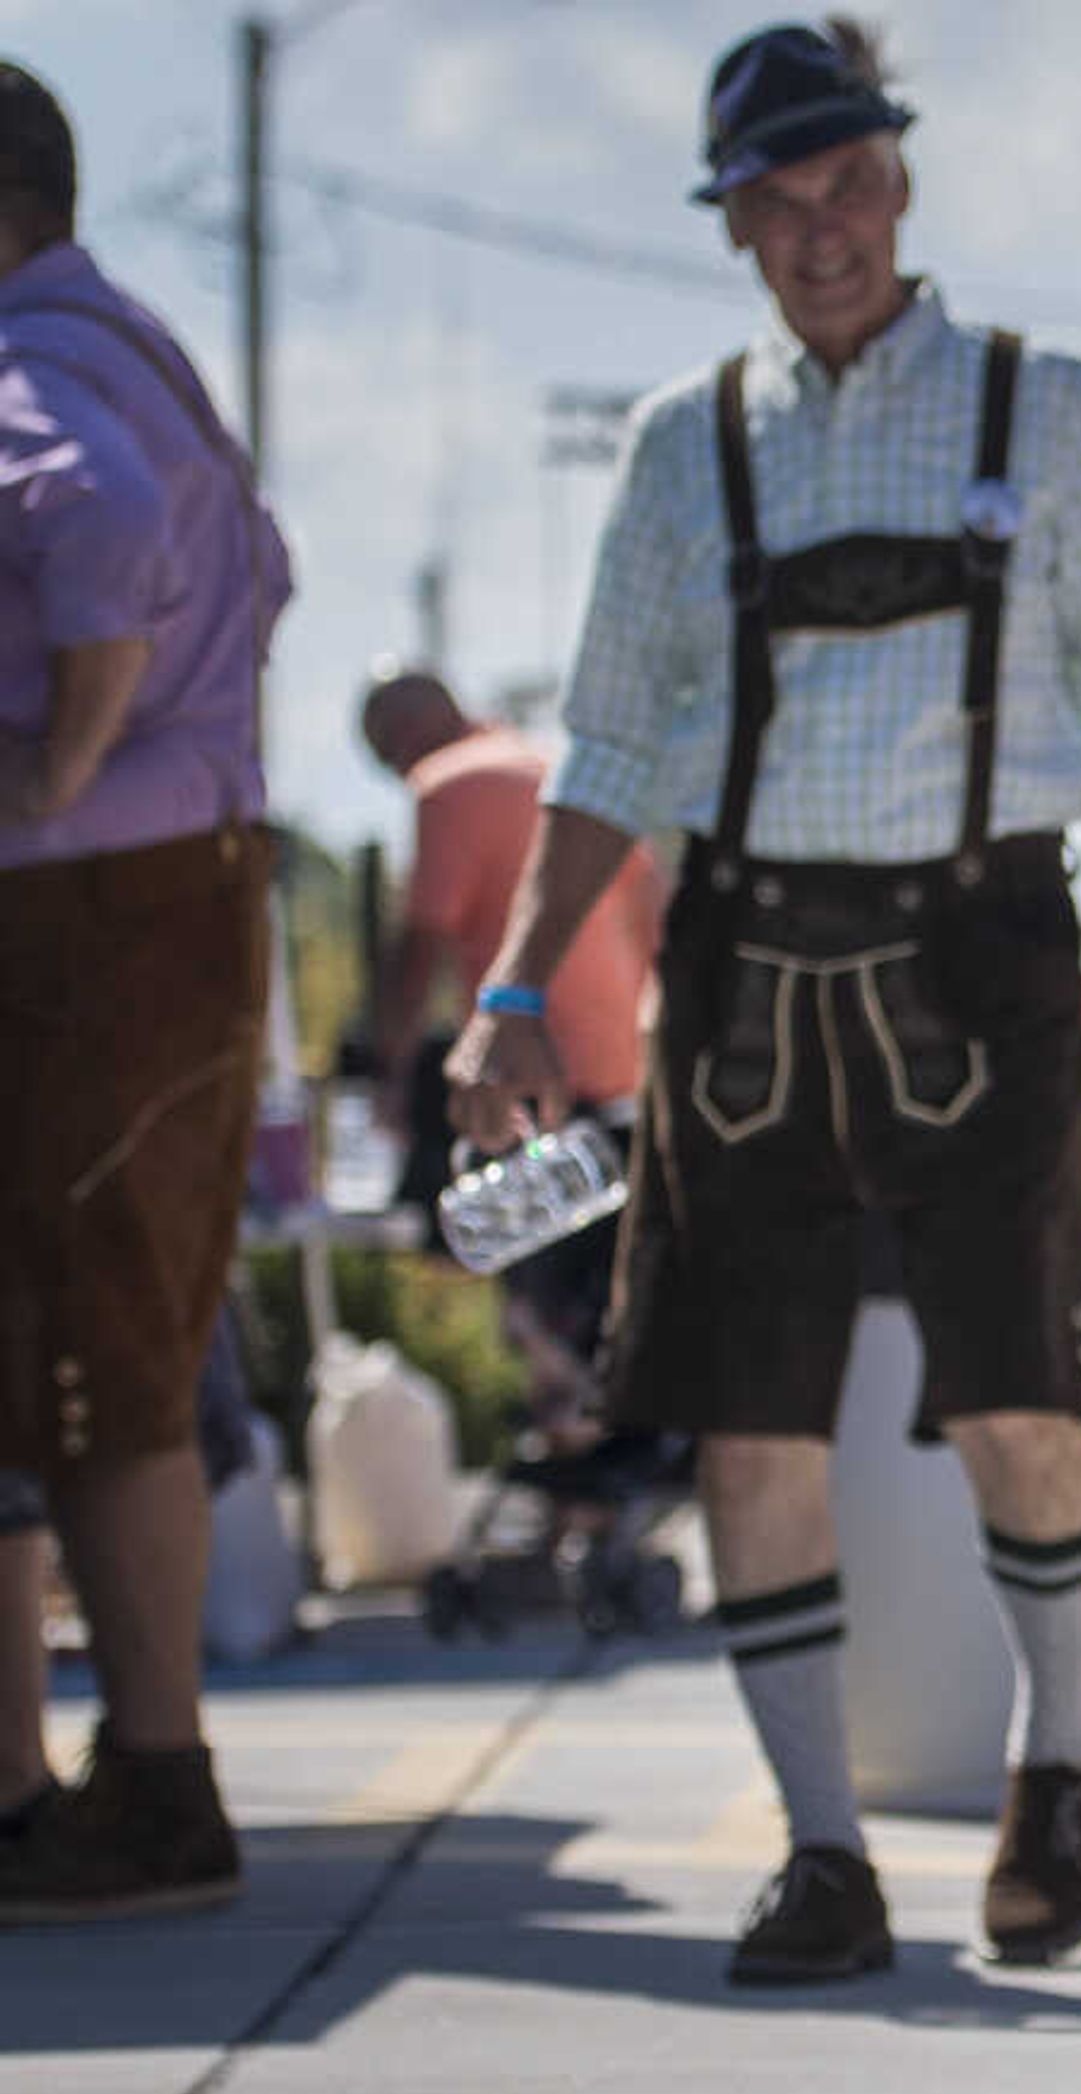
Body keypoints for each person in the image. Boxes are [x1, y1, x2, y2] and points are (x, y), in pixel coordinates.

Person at [448, 19, 1081, 1984]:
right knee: (748, 1420)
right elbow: (610, 738)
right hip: (736, 961)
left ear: (902, 176)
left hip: (979, 946)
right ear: (732, 224)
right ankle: (824, 1850)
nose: (824, 230)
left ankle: (1056, 1762)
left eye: (851, 183)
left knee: (1010, 1396)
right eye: (779, 200)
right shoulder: (681, 444)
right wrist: (519, 980)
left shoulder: (1031, 406)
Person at [0, 60, 293, 1927]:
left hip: (88, 908)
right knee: (106, 1345)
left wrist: (50, 771)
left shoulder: (44, 360)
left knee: (94, 1347)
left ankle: (153, 1780)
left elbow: (92, 533)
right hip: (158, 894)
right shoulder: (127, 342)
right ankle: (113, 1780)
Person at [363, 666, 664, 1438]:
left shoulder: (446, 785)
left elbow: (419, 943)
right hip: (624, 1068)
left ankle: (576, 1478)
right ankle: (602, 1486)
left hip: (532, 1076)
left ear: (403, 737)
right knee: (602, 1301)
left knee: (540, 1308)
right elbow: (650, 910)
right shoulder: (558, 767)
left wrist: (389, 1071)